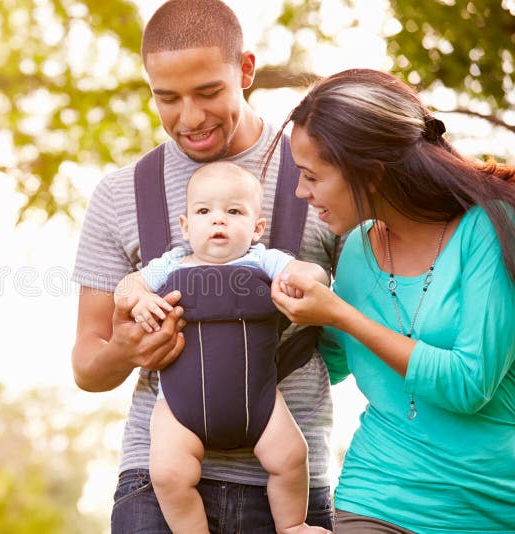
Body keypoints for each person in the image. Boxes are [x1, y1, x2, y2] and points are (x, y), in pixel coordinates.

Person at [71, 1, 341, 531]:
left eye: (208, 92)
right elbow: (86, 363)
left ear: (245, 70)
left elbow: (360, 320)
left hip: (289, 478)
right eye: (166, 98)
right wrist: (126, 350)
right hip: (158, 483)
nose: (189, 117)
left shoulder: (319, 177)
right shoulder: (121, 195)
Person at [269, 68, 515, 533]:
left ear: (372, 174)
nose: (302, 192)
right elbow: (336, 364)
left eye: (311, 177)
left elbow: (470, 383)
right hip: (377, 493)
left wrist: (340, 313)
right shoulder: (359, 248)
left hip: (491, 505)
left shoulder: (489, 227)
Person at [115, 161, 330, 534]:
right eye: (204, 211)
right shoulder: (169, 265)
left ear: (257, 227)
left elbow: (315, 273)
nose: (219, 221)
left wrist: (303, 280)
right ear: (185, 226)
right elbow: (126, 286)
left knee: (292, 457)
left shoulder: (264, 260)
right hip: (181, 410)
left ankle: (293, 524)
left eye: (233, 212)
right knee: (167, 474)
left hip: (260, 404)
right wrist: (137, 300)